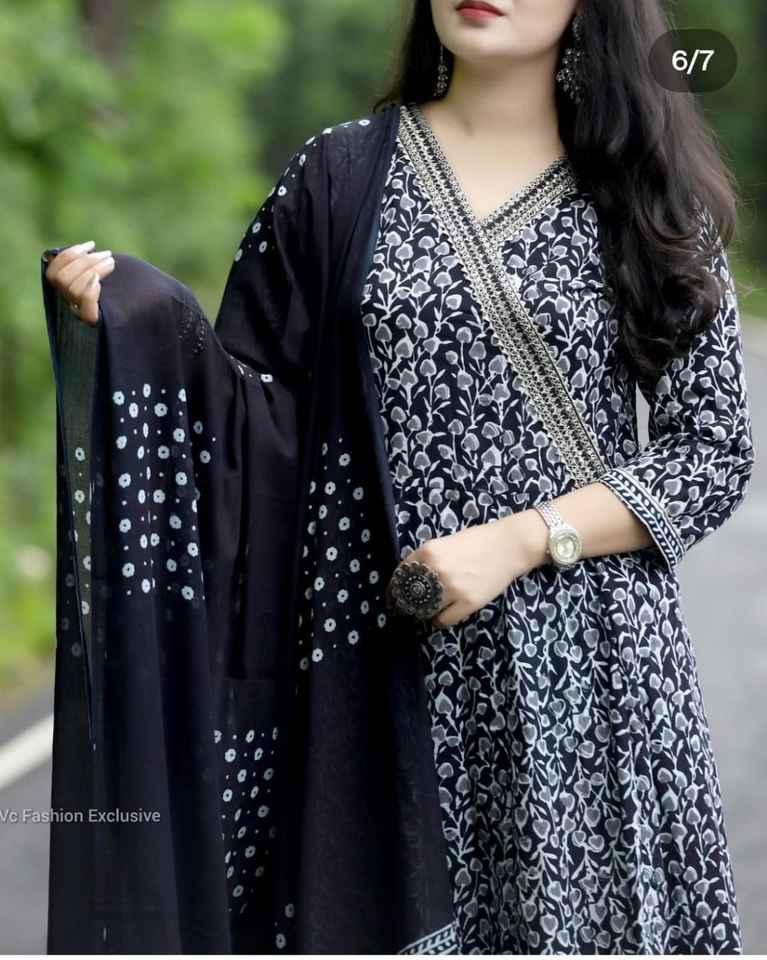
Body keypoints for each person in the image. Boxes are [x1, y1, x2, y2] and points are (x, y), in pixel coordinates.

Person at [42, 0, 754, 954]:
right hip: (375, 674)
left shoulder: (646, 192)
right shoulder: (337, 176)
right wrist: (138, 325)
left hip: (589, 686)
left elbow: (710, 452)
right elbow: (256, 417)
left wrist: (518, 540)